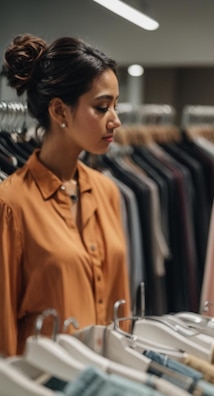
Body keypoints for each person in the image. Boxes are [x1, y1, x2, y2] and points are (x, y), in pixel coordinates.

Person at [0, 34, 131, 357]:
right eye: (102, 107)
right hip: (44, 391)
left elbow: (120, 310)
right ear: (59, 110)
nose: (115, 120)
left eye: (115, 106)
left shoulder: (107, 192)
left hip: (110, 382)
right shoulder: (11, 206)